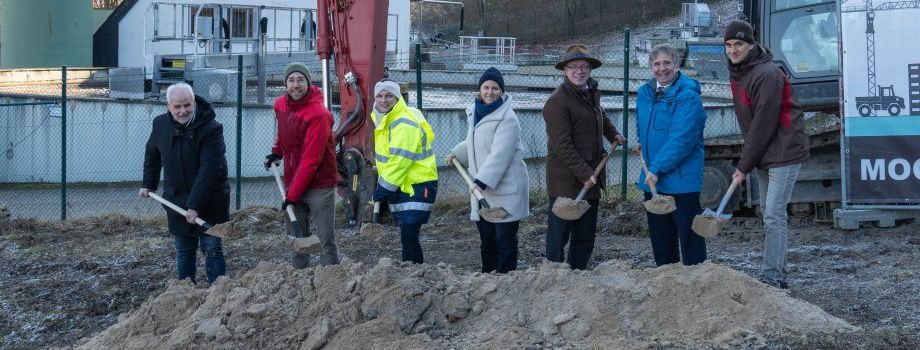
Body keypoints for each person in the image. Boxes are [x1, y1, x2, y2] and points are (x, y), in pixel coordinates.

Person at [724, 20, 809, 289]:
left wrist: (744, 164)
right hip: (765, 152)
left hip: (784, 149)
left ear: (751, 45)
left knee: (773, 214)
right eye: (728, 45)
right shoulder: (740, 72)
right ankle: (777, 273)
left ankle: (773, 278)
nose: (733, 50)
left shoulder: (767, 74)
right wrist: (752, 158)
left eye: (738, 44)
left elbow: (763, 123)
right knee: (768, 213)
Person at [542, 44, 627, 270]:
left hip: (591, 176)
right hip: (566, 181)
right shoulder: (557, 101)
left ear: (590, 69)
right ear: (565, 70)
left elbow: (600, 116)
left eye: (584, 67)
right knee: (559, 235)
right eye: (574, 67)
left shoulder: (589, 93)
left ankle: (578, 274)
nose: (579, 71)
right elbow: (562, 146)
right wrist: (584, 174)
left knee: (585, 234)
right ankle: (553, 275)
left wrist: (613, 134)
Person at [140, 82, 228, 285]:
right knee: (184, 250)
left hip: (211, 200)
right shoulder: (160, 124)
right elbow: (152, 155)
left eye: (187, 105)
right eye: (177, 107)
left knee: (212, 248)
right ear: (168, 106)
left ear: (194, 103)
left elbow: (210, 170)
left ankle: (219, 294)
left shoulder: (211, 129)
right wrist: (149, 184)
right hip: (176, 200)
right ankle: (185, 295)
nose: (182, 111)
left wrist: (195, 205)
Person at [446, 67, 529, 273]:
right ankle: (488, 278)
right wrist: (458, 153)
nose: (490, 92)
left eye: (495, 88)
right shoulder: (475, 111)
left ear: (501, 91)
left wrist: (481, 181)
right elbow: (474, 141)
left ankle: (506, 280)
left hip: (506, 188)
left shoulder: (508, 119)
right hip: (482, 189)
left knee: (504, 240)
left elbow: (500, 154)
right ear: (480, 89)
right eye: (486, 87)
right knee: (487, 240)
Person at [636, 44, 708, 267]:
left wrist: (656, 168)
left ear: (677, 65)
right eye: (656, 64)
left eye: (667, 63)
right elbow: (642, 127)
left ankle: (696, 286)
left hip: (681, 181)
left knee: (690, 240)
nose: (662, 68)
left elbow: (682, 139)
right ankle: (667, 288)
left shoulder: (688, 96)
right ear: (650, 68)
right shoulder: (644, 93)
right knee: (661, 241)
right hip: (653, 180)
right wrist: (650, 166)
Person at [264, 62, 339, 268]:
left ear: (308, 82)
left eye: (300, 80)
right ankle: (299, 279)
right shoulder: (280, 104)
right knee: (296, 238)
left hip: (319, 185)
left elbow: (311, 159)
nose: (295, 85)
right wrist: (276, 151)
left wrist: (291, 196)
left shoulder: (318, 115)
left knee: (325, 239)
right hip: (293, 181)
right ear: (285, 83)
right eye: (291, 80)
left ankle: (333, 281)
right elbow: (284, 130)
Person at [371, 79, 438, 264]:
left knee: (409, 234)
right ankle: (411, 273)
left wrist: (383, 188)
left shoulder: (403, 122)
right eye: (380, 96)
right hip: (405, 184)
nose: (384, 100)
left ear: (398, 97)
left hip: (417, 184)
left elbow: (400, 160)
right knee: (407, 235)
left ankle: (414, 274)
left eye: (389, 95)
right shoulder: (387, 120)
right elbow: (390, 158)